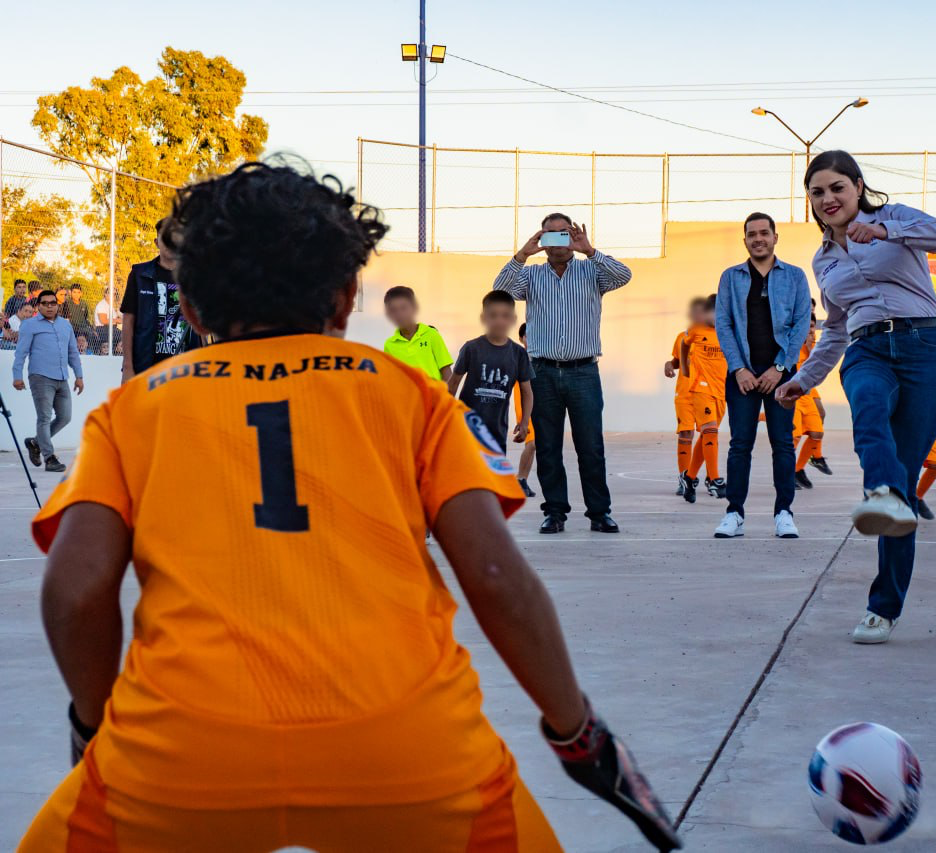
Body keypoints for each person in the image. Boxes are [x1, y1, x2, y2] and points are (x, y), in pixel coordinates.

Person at [18, 160, 679, 853]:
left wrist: (96, 728)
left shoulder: (131, 411)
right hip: (410, 748)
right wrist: (577, 732)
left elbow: (75, 588)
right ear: (345, 296)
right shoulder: (409, 396)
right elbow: (495, 577)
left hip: (182, 751)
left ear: (188, 308)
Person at [776, 151, 936, 644]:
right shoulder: (823, 259)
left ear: (858, 187)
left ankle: (884, 606)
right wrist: (805, 377)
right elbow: (833, 329)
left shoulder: (895, 216)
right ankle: (881, 495)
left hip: (927, 349)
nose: (828, 199)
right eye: (817, 192)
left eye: (837, 187)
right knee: (870, 411)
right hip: (866, 348)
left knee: (904, 473)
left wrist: (884, 233)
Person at [493, 213, 632, 535]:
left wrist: (590, 249)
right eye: (550, 235)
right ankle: (555, 512)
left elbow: (624, 275)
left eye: (564, 233)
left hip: (583, 371)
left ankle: (599, 513)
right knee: (548, 447)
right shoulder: (532, 276)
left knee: (591, 447)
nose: (558, 241)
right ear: (542, 239)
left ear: (573, 234)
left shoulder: (591, 271)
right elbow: (500, 290)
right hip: (541, 371)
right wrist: (522, 254)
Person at [714, 211, 811, 540]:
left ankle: (784, 512)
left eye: (764, 233)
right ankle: (734, 514)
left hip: (781, 376)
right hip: (742, 376)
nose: (758, 238)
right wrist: (738, 368)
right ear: (745, 240)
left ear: (775, 237)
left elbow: (801, 325)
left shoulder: (795, 276)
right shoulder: (731, 277)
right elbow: (723, 324)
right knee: (740, 444)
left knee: (783, 444)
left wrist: (781, 368)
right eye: (752, 234)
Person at [447, 290, 533, 455]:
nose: (499, 321)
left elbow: (527, 392)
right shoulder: (471, 348)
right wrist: (445, 417)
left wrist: (524, 423)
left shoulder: (518, 354)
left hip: (497, 434)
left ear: (513, 319)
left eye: (505, 315)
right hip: (467, 430)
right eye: (493, 315)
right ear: (484, 318)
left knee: (493, 478)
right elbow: (453, 384)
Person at [10, 289, 84, 474]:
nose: (50, 306)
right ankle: (49, 458)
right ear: (38, 306)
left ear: (57, 305)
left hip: (62, 377)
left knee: (65, 417)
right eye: (45, 303)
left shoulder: (65, 326)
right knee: (44, 417)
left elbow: (73, 353)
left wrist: (79, 376)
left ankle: (35, 442)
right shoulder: (29, 325)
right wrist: (17, 376)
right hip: (40, 377)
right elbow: (21, 353)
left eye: (53, 303)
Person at [121, 218, 203, 382]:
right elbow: (128, 321)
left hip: (186, 370)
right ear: (156, 242)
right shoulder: (139, 274)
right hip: (147, 369)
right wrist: (128, 367)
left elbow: (201, 325)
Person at [679, 295, 728, 502]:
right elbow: (683, 345)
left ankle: (689, 478)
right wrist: (685, 369)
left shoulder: (728, 331)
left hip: (721, 390)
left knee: (708, 434)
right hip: (701, 388)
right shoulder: (697, 330)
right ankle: (715, 479)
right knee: (710, 430)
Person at [666, 298, 702, 497]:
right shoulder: (683, 337)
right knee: (686, 433)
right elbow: (677, 361)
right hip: (685, 394)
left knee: (708, 434)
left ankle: (702, 475)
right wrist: (669, 365)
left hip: (708, 394)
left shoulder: (718, 336)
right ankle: (684, 476)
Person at [382, 285, 454, 383]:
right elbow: (391, 378)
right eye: (394, 310)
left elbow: (446, 372)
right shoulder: (389, 345)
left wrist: (447, 397)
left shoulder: (431, 334)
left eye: (403, 308)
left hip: (433, 396)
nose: (399, 314)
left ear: (414, 308)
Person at [792, 316, 824, 491]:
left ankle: (798, 469)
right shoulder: (792, 342)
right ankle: (786, 474)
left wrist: (811, 349)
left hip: (807, 394)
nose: (811, 330)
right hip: (792, 396)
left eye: (813, 327)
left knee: (817, 433)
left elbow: (818, 372)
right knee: (794, 436)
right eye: (808, 327)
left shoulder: (814, 346)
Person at [513, 323, 537, 498]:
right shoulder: (519, 357)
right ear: (521, 338)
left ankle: (522, 480)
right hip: (524, 405)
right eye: (527, 335)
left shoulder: (540, 357)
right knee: (532, 443)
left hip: (539, 405)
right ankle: (520, 479)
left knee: (534, 445)